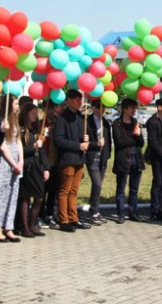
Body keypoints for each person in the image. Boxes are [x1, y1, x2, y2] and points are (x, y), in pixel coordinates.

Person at [53, 90, 91, 232]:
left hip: (79, 159)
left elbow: (81, 136)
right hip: (68, 159)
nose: (79, 102)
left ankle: (74, 218)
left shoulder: (81, 117)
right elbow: (59, 139)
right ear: (68, 101)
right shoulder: (62, 118)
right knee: (65, 190)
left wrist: (86, 140)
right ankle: (64, 220)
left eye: (80, 99)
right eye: (76, 99)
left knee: (74, 190)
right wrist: (77, 145)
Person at [0, 94, 23, 243]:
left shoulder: (15, 120)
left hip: (16, 161)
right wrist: (12, 162)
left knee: (13, 193)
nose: (18, 106)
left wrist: (20, 160)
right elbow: (2, 145)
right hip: (5, 161)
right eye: (15, 103)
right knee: (1, 193)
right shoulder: (1, 119)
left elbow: (18, 140)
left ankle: (8, 226)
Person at [112, 98, 145, 223]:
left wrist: (139, 134)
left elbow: (141, 143)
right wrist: (134, 136)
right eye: (131, 108)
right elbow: (120, 142)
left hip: (136, 159)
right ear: (125, 109)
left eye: (135, 108)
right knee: (121, 189)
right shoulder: (117, 123)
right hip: (123, 160)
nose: (134, 110)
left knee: (134, 188)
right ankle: (121, 214)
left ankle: (133, 212)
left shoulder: (135, 122)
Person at [18, 103, 49, 237]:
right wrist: (33, 146)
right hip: (27, 165)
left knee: (39, 197)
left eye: (36, 113)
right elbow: (20, 151)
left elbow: (42, 151)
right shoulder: (21, 130)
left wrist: (46, 167)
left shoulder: (37, 129)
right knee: (25, 197)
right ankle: (25, 226)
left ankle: (33, 223)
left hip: (37, 165)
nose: (35, 116)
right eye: (33, 113)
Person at [86, 100, 111, 225]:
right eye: (99, 108)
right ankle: (93, 212)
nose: (102, 110)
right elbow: (84, 141)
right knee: (97, 184)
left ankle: (95, 209)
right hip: (92, 157)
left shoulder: (105, 122)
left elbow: (109, 141)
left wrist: (108, 155)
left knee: (98, 185)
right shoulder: (87, 122)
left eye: (104, 108)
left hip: (102, 158)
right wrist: (95, 144)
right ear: (93, 108)